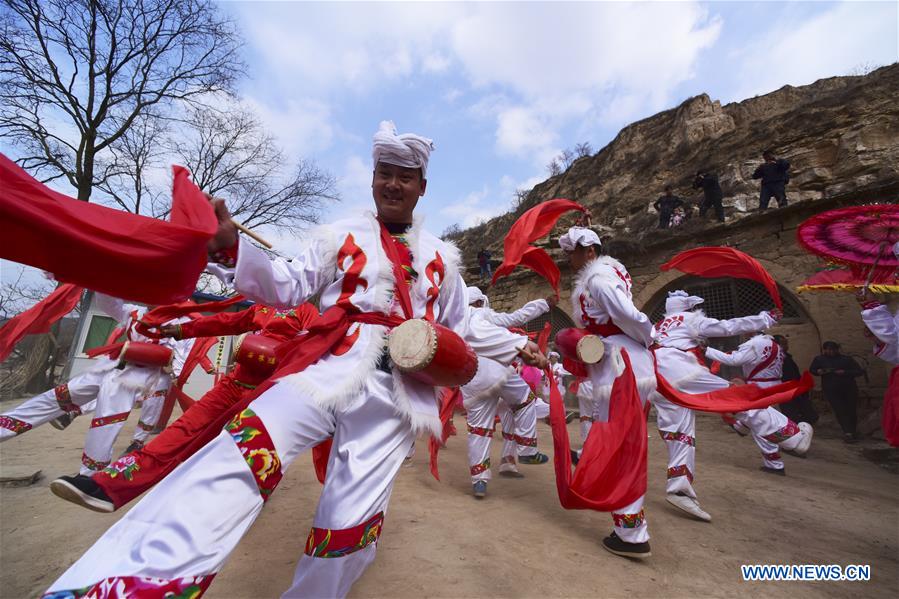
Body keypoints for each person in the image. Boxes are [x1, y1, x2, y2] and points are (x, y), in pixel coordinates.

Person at [43, 121, 547, 599]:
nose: (393, 184)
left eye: (405, 177)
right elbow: (287, 284)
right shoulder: (340, 236)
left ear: (422, 187)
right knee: (237, 455)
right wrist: (233, 249)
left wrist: (514, 345)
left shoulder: (442, 258)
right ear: (373, 178)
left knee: (346, 525)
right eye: (384, 173)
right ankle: (120, 584)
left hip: (395, 398)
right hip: (324, 372)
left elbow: (459, 324)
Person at [50, 302, 319, 513]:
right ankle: (108, 486)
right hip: (232, 385)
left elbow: (315, 348)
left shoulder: (307, 312)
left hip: (268, 395)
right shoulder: (262, 307)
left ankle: (240, 503)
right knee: (180, 431)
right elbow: (225, 321)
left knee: (247, 452)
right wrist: (182, 330)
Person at [0, 293, 193, 476]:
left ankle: (99, 468)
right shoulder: (134, 312)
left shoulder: (180, 323)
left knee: (118, 415)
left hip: (150, 375)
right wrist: (102, 280)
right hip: (118, 364)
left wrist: (175, 369)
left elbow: (182, 353)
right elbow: (108, 303)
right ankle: (6, 426)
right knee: (65, 394)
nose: (153, 298)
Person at [560, 226, 656, 559]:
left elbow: (630, 316)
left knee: (622, 446)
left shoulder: (599, 280)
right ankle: (628, 526)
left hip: (621, 366)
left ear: (590, 251)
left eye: (572, 252)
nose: (568, 258)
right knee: (623, 443)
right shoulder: (603, 276)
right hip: (622, 364)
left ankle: (632, 533)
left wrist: (648, 339)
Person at [652, 290, 781, 513]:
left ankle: (679, 489)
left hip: (657, 378)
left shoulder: (658, 326)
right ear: (688, 308)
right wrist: (765, 318)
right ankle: (789, 434)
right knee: (731, 396)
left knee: (680, 434)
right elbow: (727, 327)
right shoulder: (689, 319)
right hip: (682, 370)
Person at [462, 287, 550, 497]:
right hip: (498, 373)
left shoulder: (455, 321)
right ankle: (527, 448)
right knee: (526, 399)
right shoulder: (481, 313)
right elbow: (515, 318)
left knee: (478, 430)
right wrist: (543, 305)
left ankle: (479, 480)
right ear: (479, 302)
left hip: (471, 380)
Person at [707, 333, 814, 474]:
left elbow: (734, 360)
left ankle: (778, 459)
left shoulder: (755, 344)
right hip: (773, 386)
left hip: (759, 388)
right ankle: (743, 427)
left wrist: (707, 350)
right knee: (767, 420)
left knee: (760, 424)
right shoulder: (774, 345)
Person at [809, 341, 865, 442]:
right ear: (824, 350)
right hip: (831, 389)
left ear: (837, 349)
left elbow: (859, 371)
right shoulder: (819, 359)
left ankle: (853, 431)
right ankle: (848, 433)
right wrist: (819, 371)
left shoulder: (846, 359)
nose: (831, 352)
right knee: (840, 410)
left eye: (833, 350)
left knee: (851, 410)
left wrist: (845, 372)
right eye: (828, 350)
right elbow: (812, 370)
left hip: (849, 388)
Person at [774, 334, 818, 425]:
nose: (787, 346)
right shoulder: (775, 360)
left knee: (804, 410)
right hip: (786, 390)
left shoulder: (786, 357)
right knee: (792, 413)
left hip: (795, 388)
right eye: (784, 344)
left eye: (786, 344)